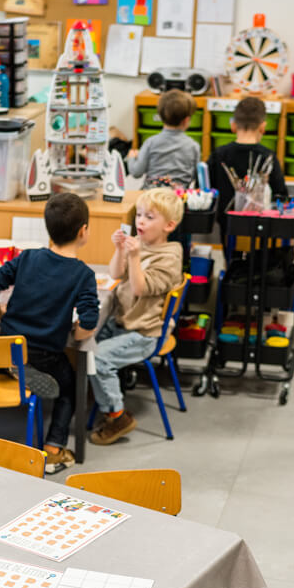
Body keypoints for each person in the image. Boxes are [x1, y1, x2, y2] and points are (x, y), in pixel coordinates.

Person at [0, 193, 99, 473]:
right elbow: (89, 322)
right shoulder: (83, 275)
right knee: (69, 388)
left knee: (21, 356)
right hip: (46, 351)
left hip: (8, 343)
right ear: (83, 231)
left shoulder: (27, 258)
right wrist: (75, 334)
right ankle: (53, 451)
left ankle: (17, 367)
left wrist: (0, 315)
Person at [89, 188, 183, 445]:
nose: (140, 221)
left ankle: (117, 416)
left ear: (169, 225)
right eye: (139, 215)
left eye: (149, 217)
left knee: (96, 358)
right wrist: (120, 250)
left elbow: (140, 288)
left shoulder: (169, 258)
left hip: (145, 333)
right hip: (122, 322)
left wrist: (134, 255)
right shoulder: (140, 245)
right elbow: (116, 274)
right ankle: (96, 396)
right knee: (83, 342)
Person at [208, 96, 288, 236]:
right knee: (258, 257)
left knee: (231, 256)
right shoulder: (268, 157)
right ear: (263, 127)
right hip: (260, 226)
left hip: (227, 224)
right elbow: (280, 193)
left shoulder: (219, 155)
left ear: (233, 125)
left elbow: (208, 191)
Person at [126, 89, 201, 189]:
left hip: (152, 197)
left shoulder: (151, 142)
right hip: (178, 199)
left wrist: (131, 158)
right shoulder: (193, 146)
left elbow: (136, 172)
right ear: (186, 120)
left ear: (160, 117)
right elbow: (196, 177)